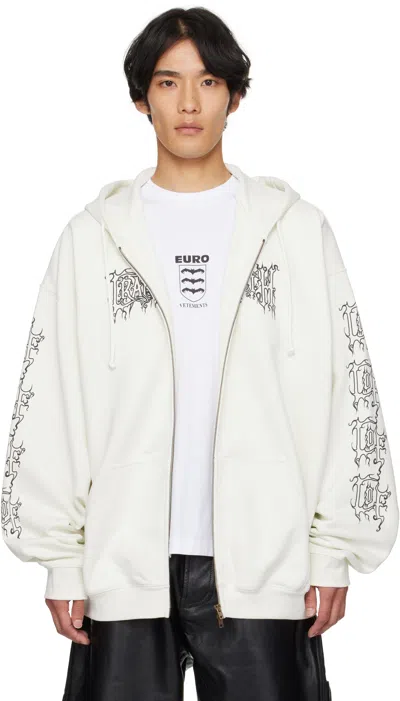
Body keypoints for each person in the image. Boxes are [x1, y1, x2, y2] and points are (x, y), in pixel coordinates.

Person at [2, 7, 398, 701]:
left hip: (265, 560)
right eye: (168, 82)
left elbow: (347, 388)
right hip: (124, 561)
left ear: (234, 97)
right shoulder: (91, 238)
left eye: (209, 81)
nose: (189, 102)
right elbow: (53, 395)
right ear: (141, 98)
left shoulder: (296, 232)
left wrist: (333, 548)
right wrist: (62, 557)